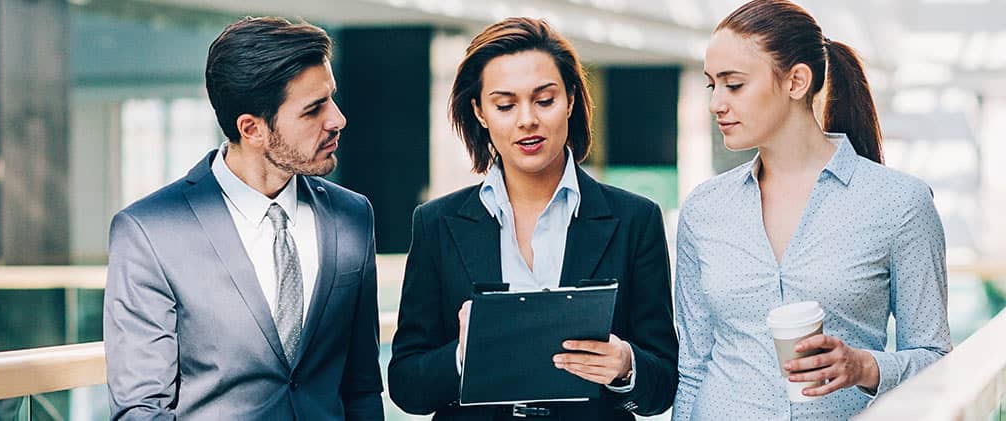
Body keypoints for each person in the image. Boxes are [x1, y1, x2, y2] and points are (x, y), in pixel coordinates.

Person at [386, 17, 678, 421]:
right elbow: (405, 385)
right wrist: (462, 356)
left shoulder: (635, 220)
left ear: (572, 100)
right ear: (480, 112)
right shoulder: (437, 223)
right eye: (505, 105)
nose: (527, 120)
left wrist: (625, 365)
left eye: (544, 100)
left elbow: (662, 386)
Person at [672, 1, 952, 419]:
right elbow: (693, 367)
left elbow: (936, 360)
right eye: (712, 86)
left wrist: (865, 366)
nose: (716, 104)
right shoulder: (704, 209)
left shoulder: (900, 203)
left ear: (796, 81)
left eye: (734, 85)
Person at [103, 16, 383, 421]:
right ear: (252, 129)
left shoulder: (352, 217)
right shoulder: (150, 233)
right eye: (313, 110)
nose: (337, 119)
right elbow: (140, 409)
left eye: (331, 98)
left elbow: (361, 388)